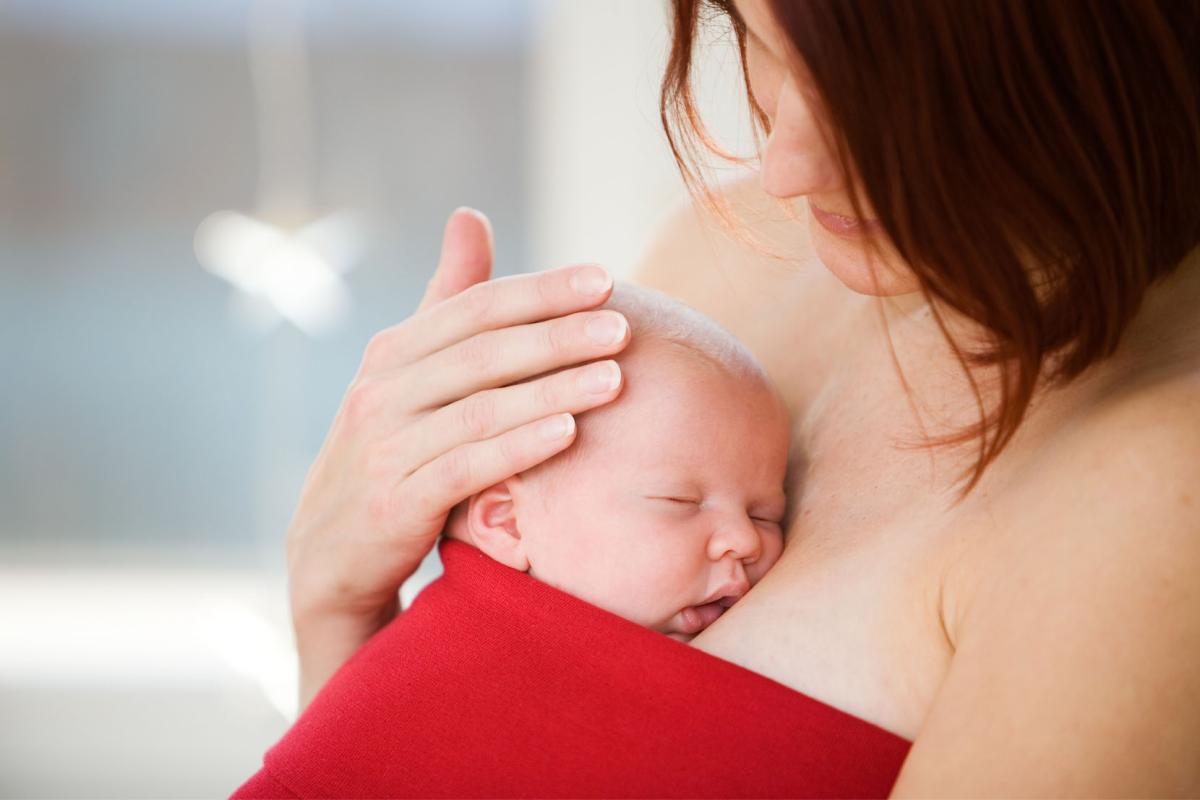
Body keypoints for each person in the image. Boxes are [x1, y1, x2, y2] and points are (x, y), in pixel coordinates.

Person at [251, 0, 1200, 795]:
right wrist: (336, 610)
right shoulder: (735, 250)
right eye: (758, 43)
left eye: (876, 100)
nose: (784, 165)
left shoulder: (1154, 492)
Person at [442, 282, 791, 643]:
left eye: (764, 515)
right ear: (509, 522)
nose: (746, 540)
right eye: (680, 501)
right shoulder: (445, 663)